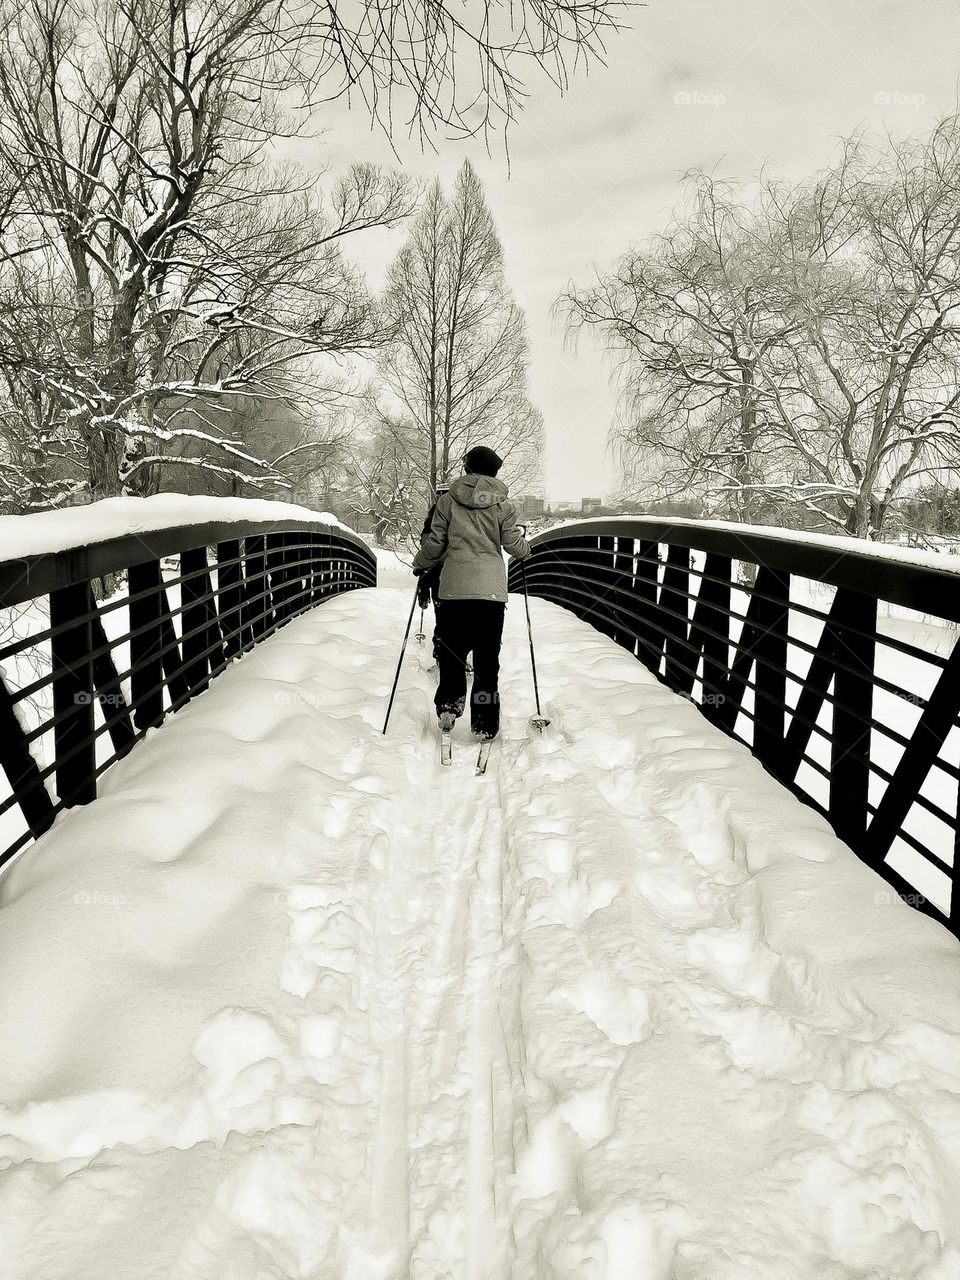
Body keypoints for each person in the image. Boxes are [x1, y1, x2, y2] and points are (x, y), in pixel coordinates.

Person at [413, 444, 530, 740]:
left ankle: (450, 704)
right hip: (490, 594)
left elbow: (435, 544)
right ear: (494, 472)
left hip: (453, 590)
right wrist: (525, 550)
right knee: (487, 660)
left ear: (467, 469)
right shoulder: (504, 505)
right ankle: (485, 722)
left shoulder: (448, 501)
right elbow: (513, 544)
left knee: (452, 653)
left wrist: (420, 564)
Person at [416, 482, 448, 664]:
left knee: (443, 616)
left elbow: (428, 553)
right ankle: (449, 653)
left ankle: (441, 652)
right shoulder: (460, 515)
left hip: (437, 576)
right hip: (452, 574)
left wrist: (423, 584)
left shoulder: (432, 519)